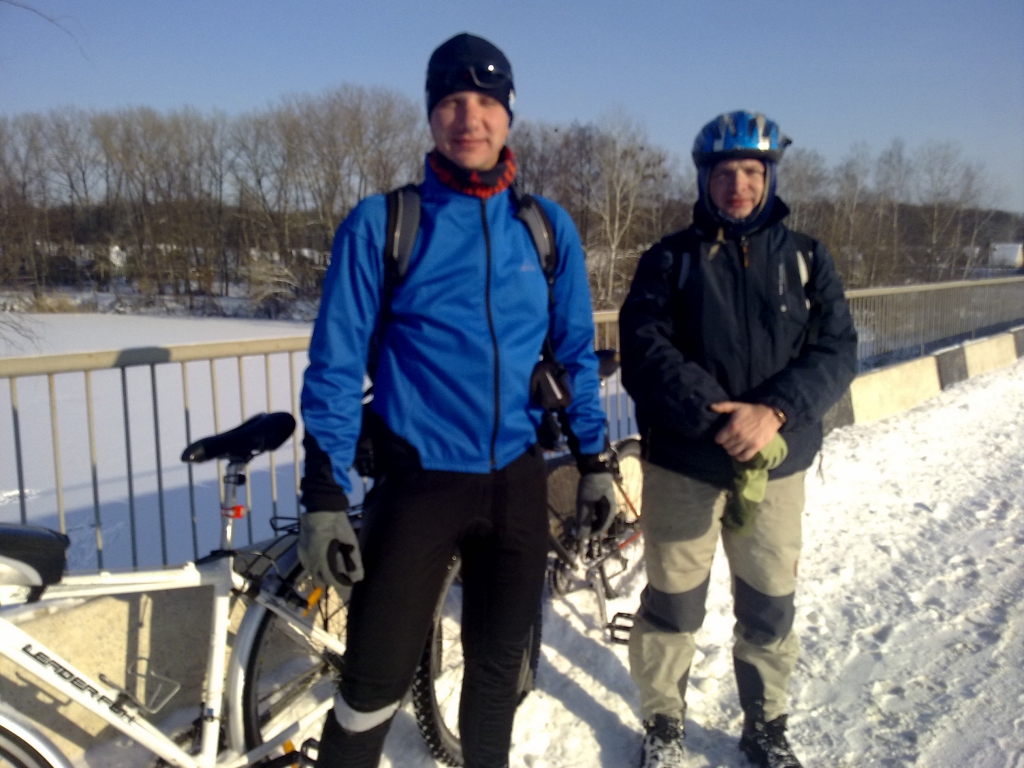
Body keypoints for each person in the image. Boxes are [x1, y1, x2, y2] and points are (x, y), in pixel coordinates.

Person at [297, 33, 617, 768]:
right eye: (450, 101)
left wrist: (595, 461)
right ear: (431, 115)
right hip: (420, 484)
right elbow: (335, 366)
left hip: (517, 481)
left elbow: (574, 355)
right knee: (371, 686)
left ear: (509, 114)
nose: (468, 118)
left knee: (498, 680)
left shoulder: (545, 228)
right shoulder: (384, 224)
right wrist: (324, 494)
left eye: (485, 102)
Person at [618, 111, 858, 768]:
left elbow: (837, 350)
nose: (739, 186)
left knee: (769, 603)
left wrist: (773, 411)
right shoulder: (669, 259)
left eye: (752, 171)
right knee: (672, 604)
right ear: (705, 179)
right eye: (725, 173)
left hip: (775, 467)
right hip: (684, 463)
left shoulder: (807, 258)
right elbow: (643, 349)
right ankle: (663, 724)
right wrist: (720, 417)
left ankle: (765, 724)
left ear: (770, 176)